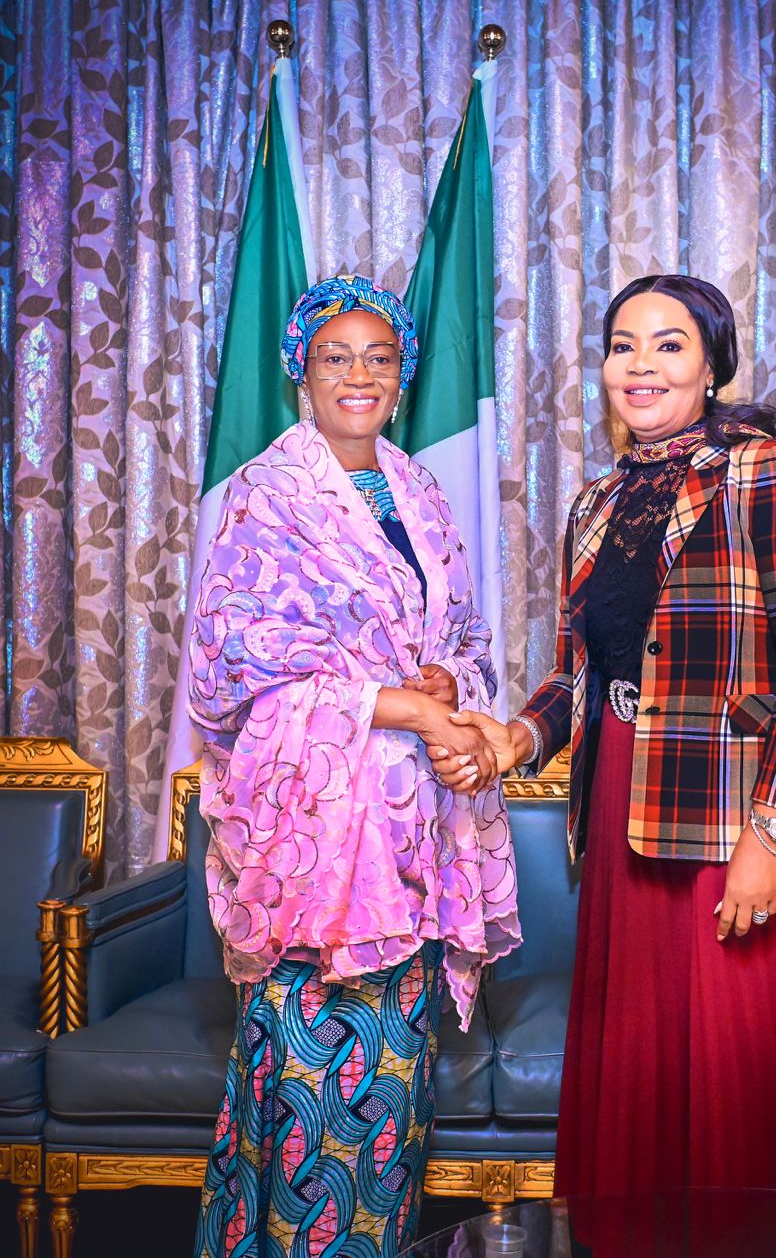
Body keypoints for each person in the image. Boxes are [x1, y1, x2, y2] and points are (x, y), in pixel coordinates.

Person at [433, 274, 776, 1206]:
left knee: (740, 1079)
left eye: (669, 345)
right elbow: (579, 675)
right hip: (624, 799)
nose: (641, 364)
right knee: (647, 1070)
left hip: (741, 809)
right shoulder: (595, 504)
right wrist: (513, 739)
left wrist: (771, 832)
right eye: (624, 344)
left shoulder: (768, 469)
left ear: (712, 367)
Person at [188, 274, 520, 1258]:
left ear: (402, 374)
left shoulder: (418, 488)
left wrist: (441, 678)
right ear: (303, 367)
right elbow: (231, 663)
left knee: (392, 1103)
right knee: (303, 1102)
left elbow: (466, 638)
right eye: (338, 354)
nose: (360, 372)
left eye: (380, 355)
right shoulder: (266, 494)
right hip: (312, 847)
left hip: (412, 831)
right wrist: (397, 702)